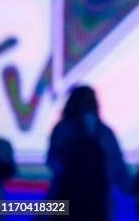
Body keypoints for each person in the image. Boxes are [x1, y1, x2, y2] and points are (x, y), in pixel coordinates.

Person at [46, 85, 130, 221]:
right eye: (83, 100)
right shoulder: (62, 130)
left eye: (89, 100)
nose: (85, 104)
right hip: (67, 196)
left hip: (97, 199)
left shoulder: (105, 133)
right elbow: (53, 160)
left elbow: (117, 168)